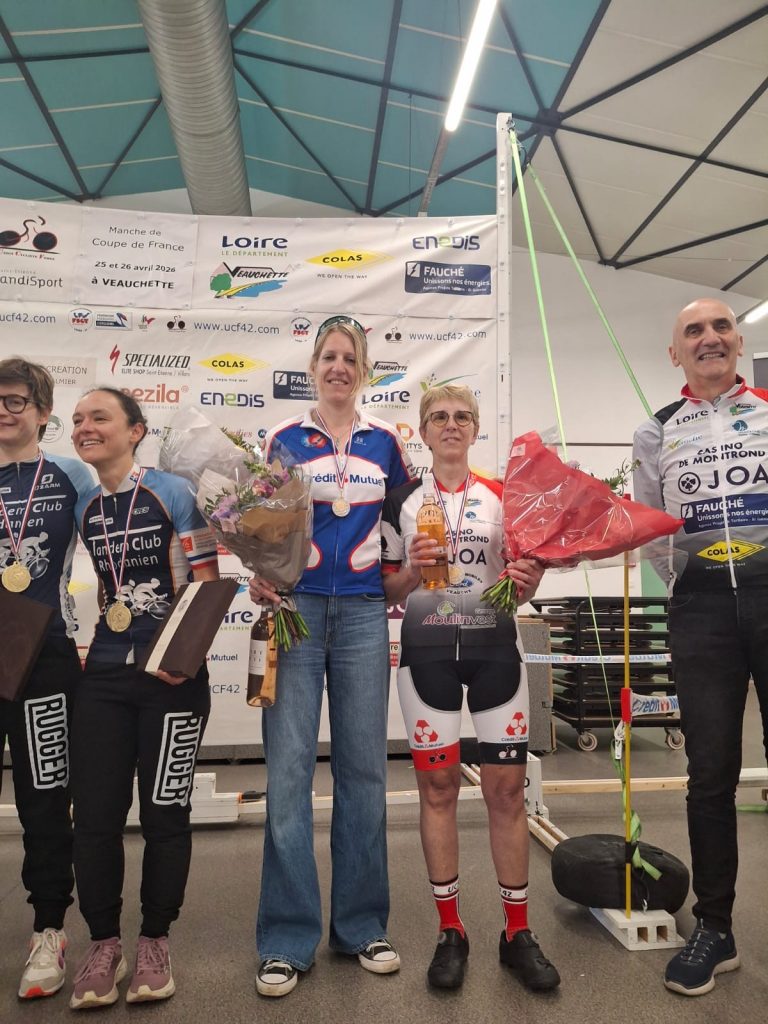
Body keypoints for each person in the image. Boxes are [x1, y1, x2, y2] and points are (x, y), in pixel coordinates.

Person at [248, 314, 414, 997]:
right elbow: (258, 525)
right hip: (297, 613)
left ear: (364, 369)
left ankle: (361, 924)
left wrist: (404, 580)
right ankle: (287, 939)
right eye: (329, 357)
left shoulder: (386, 443)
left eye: (350, 357)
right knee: (287, 777)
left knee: (363, 775)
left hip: (366, 617)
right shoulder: (283, 440)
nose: (339, 367)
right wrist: (257, 570)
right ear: (313, 367)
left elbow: (403, 532)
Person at [380, 384, 560, 992]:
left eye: (461, 417)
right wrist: (410, 568)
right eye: (439, 418)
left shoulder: (505, 497)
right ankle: (450, 930)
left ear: (475, 428)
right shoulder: (401, 499)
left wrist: (527, 579)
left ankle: (517, 933)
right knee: (438, 787)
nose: (450, 426)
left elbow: (522, 585)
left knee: (508, 791)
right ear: (423, 432)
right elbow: (386, 590)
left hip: (493, 653)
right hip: (426, 653)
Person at [632, 297, 767, 997]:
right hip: (702, 608)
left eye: (720, 327)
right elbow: (653, 530)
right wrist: (700, 580)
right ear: (675, 354)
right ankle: (715, 929)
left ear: (738, 343)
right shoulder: (656, 432)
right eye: (693, 331)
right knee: (710, 773)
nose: (709, 338)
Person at [68, 387, 219, 1009]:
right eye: (77, 420)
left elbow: (206, 586)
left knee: (164, 816)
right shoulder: (84, 504)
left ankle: (155, 940)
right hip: (104, 675)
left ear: (135, 431)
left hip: (172, 680)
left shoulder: (174, 492)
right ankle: (104, 944)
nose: (84, 427)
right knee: (96, 819)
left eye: (99, 417)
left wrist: (180, 663)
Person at [0, 358, 92, 1000]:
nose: (5, 411)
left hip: (45, 655)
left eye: (15, 401)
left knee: (43, 796)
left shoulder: (70, 474)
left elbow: (120, 534)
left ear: (41, 410)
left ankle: (49, 929)